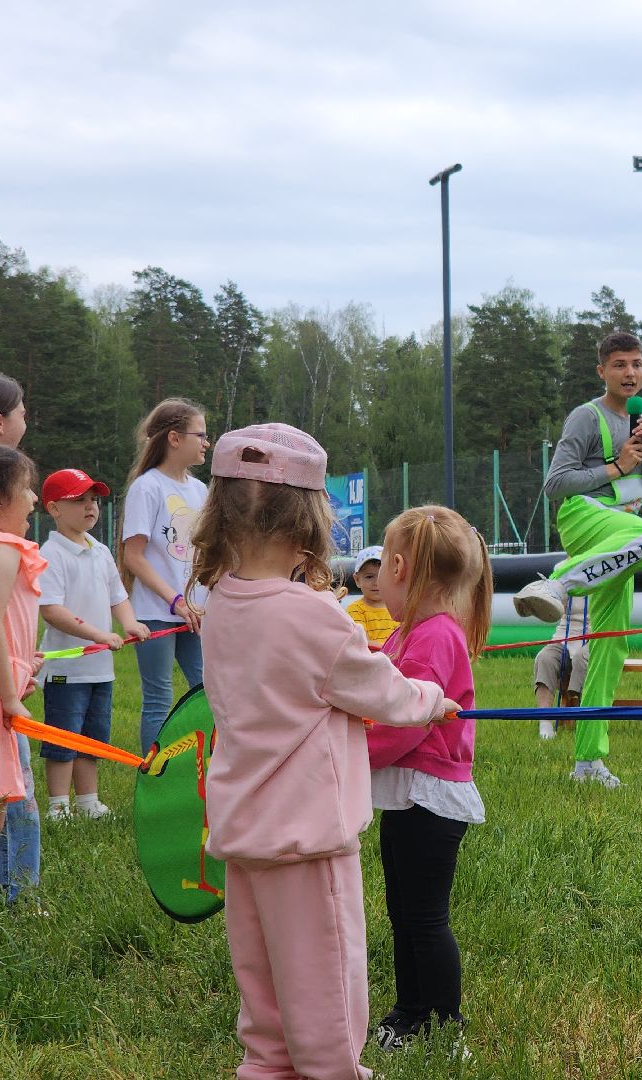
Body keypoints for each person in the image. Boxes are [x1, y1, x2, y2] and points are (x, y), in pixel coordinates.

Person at [192, 423, 460, 1080]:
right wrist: (433, 699)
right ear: (311, 521)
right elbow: (385, 694)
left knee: (266, 1016)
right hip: (308, 845)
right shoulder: (316, 616)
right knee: (327, 1010)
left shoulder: (219, 603)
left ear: (222, 514)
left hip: (243, 839)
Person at [511, 331, 642, 788]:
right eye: (619, 364)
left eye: (636, 364)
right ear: (602, 370)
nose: (630, 373)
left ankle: (587, 762)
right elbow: (555, 484)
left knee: (611, 643)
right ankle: (558, 583)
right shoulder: (586, 416)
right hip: (584, 519)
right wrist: (616, 467)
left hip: (623, 537)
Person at [366, 506, 489, 1052]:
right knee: (403, 913)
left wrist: (350, 754)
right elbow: (383, 676)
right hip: (408, 798)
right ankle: (409, 1013)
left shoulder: (435, 636)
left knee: (424, 917)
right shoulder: (414, 632)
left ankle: (444, 1023)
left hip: (429, 800)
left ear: (396, 566)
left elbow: (404, 721)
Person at [37, 469, 150, 820]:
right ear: (54, 509)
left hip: (100, 670)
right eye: (79, 500)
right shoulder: (51, 553)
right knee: (63, 740)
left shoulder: (100, 550)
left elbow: (119, 596)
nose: (90, 507)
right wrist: (99, 636)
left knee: (92, 738)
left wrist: (129, 623)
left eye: (94, 500)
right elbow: (52, 611)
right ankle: (59, 806)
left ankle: (88, 802)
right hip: (66, 673)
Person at [120, 398, 209, 754]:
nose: (206, 442)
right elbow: (133, 557)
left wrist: (201, 599)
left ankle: (199, 769)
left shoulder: (200, 490)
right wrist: (174, 599)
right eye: (200, 434)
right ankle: (154, 778)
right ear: (174, 438)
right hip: (157, 613)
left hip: (197, 613)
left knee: (206, 690)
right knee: (159, 696)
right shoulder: (148, 487)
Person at [0, 371, 40, 905]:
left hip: (2, 688)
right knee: (3, 799)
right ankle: (18, 897)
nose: (33, 501)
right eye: (24, 491)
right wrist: (8, 697)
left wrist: (24, 662)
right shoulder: (1, 548)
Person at [532, 599, 588, 740]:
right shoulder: (565, 577)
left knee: (581, 659)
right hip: (565, 636)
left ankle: (579, 715)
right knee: (544, 658)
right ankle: (545, 725)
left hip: (596, 637)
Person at [345, 545, 399, 645]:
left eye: (382, 576)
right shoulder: (355, 610)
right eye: (369, 577)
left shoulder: (400, 608)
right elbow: (361, 643)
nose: (376, 582)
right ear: (357, 580)